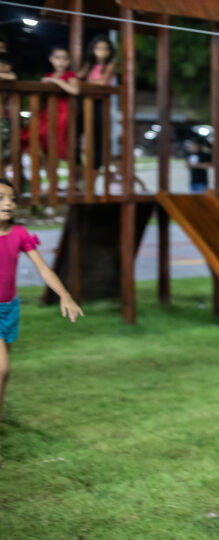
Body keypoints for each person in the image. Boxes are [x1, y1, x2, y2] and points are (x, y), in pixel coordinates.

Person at [0, 179, 83, 462]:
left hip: (10, 308)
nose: (8, 203)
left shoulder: (20, 233)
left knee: (2, 372)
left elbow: (44, 270)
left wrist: (64, 295)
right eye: (1, 198)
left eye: (11, 199)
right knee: (2, 370)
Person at [22, 45, 79, 161]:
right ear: (51, 59)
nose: (61, 61)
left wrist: (55, 80)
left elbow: (75, 90)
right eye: (58, 58)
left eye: (64, 58)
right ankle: (44, 166)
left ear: (68, 61)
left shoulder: (70, 75)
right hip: (47, 111)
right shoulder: (47, 76)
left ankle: (52, 169)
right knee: (33, 135)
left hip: (63, 111)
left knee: (54, 141)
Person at [76, 35, 116, 176]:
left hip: (99, 103)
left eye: (105, 49)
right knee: (77, 131)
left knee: (98, 135)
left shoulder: (110, 64)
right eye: (98, 48)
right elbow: (77, 78)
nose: (102, 52)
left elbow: (103, 82)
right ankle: (78, 165)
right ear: (92, 50)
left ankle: (96, 167)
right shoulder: (89, 64)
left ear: (110, 51)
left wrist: (84, 84)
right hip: (85, 101)